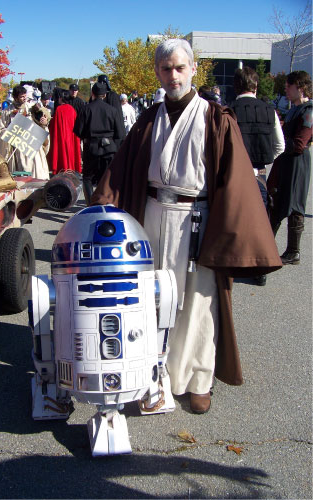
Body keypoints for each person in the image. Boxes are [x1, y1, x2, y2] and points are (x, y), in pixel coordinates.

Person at [91, 38, 282, 414]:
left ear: (193, 69)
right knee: (150, 299)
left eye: (180, 67)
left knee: (198, 300)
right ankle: (151, 375)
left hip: (197, 218)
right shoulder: (148, 118)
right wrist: (100, 206)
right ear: (159, 74)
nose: (173, 75)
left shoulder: (216, 118)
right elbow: (121, 167)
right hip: (150, 216)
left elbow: (235, 181)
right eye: (166, 69)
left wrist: (228, 235)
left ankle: (197, 379)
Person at [231, 66, 285, 286]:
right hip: (259, 172)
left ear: (236, 86)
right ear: (255, 85)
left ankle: (232, 265)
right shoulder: (269, 111)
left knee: (234, 221)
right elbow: (280, 145)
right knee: (259, 223)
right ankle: (259, 268)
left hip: (234, 173)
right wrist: (266, 159)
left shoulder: (229, 110)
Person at [267, 71, 313, 265]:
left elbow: (299, 144)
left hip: (297, 162)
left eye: (289, 85)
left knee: (292, 205)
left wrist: (278, 140)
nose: (285, 88)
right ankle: (269, 248)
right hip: (287, 162)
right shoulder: (296, 109)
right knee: (278, 203)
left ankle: (292, 251)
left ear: (300, 87)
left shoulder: (308, 110)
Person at [73, 81, 124, 205]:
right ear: (105, 95)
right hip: (108, 148)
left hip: (92, 147)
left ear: (93, 93)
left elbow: (78, 131)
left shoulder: (86, 109)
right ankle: (105, 203)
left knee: (87, 178)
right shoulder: (112, 110)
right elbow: (120, 133)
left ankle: (90, 204)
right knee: (106, 178)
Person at [0, 85, 50, 180]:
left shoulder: (31, 108)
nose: (24, 98)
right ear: (15, 97)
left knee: (35, 170)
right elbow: (0, 129)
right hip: (16, 146)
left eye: (25, 96)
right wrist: (11, 130)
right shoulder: (7, 111)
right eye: (22, 96)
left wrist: (44, 123)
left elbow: (40, 124)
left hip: (31, 145)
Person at [47, 90, 81, 175]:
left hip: (61, 136)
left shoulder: (59, 109)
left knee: (61, 152)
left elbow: (54, 125)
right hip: (71, 136)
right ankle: (71, 168)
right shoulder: (72, 109)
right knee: (71, 152)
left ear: (61, 98)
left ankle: (61, 168)